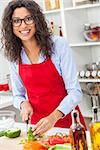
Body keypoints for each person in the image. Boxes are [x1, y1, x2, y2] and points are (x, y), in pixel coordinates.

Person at [1, 0, 86, 135]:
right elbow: (18, 95)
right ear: (10, 25)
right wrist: (23, 104)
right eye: (16, 21)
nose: (23, 25)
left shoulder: (58, 45)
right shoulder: (14, 55)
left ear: (37, 20)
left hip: (67, 124)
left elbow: (75, 92)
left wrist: (53, 117)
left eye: (28, 19)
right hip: (37, 127)